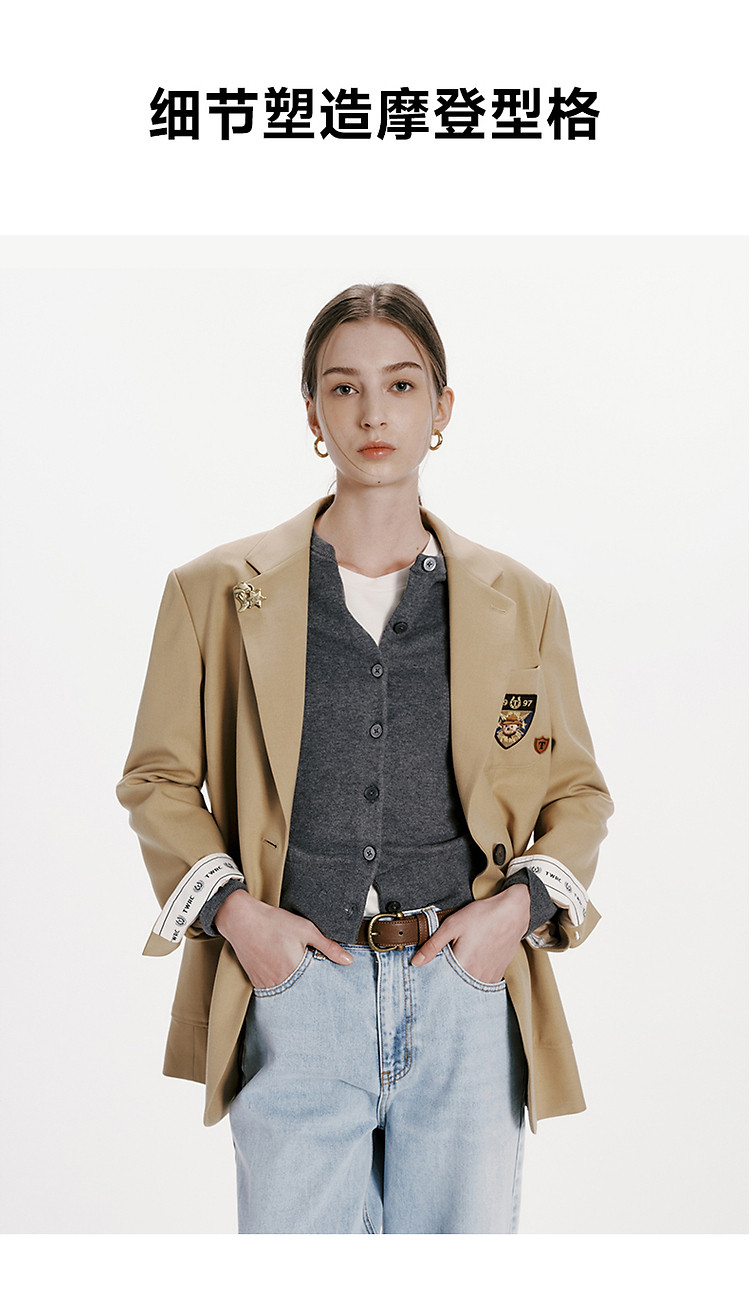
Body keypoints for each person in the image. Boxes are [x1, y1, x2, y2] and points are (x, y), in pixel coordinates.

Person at [117, 282, 613, 1234]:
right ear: (312, 412)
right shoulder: (212, 592)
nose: (374, 413)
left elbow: (578, 792)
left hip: (465, 993)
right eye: (344, 388)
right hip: (295, 990)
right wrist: (239, 917)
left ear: (442, 407)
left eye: (402, 384)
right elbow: (158, 778)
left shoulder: (522, 601)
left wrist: (513, 912)